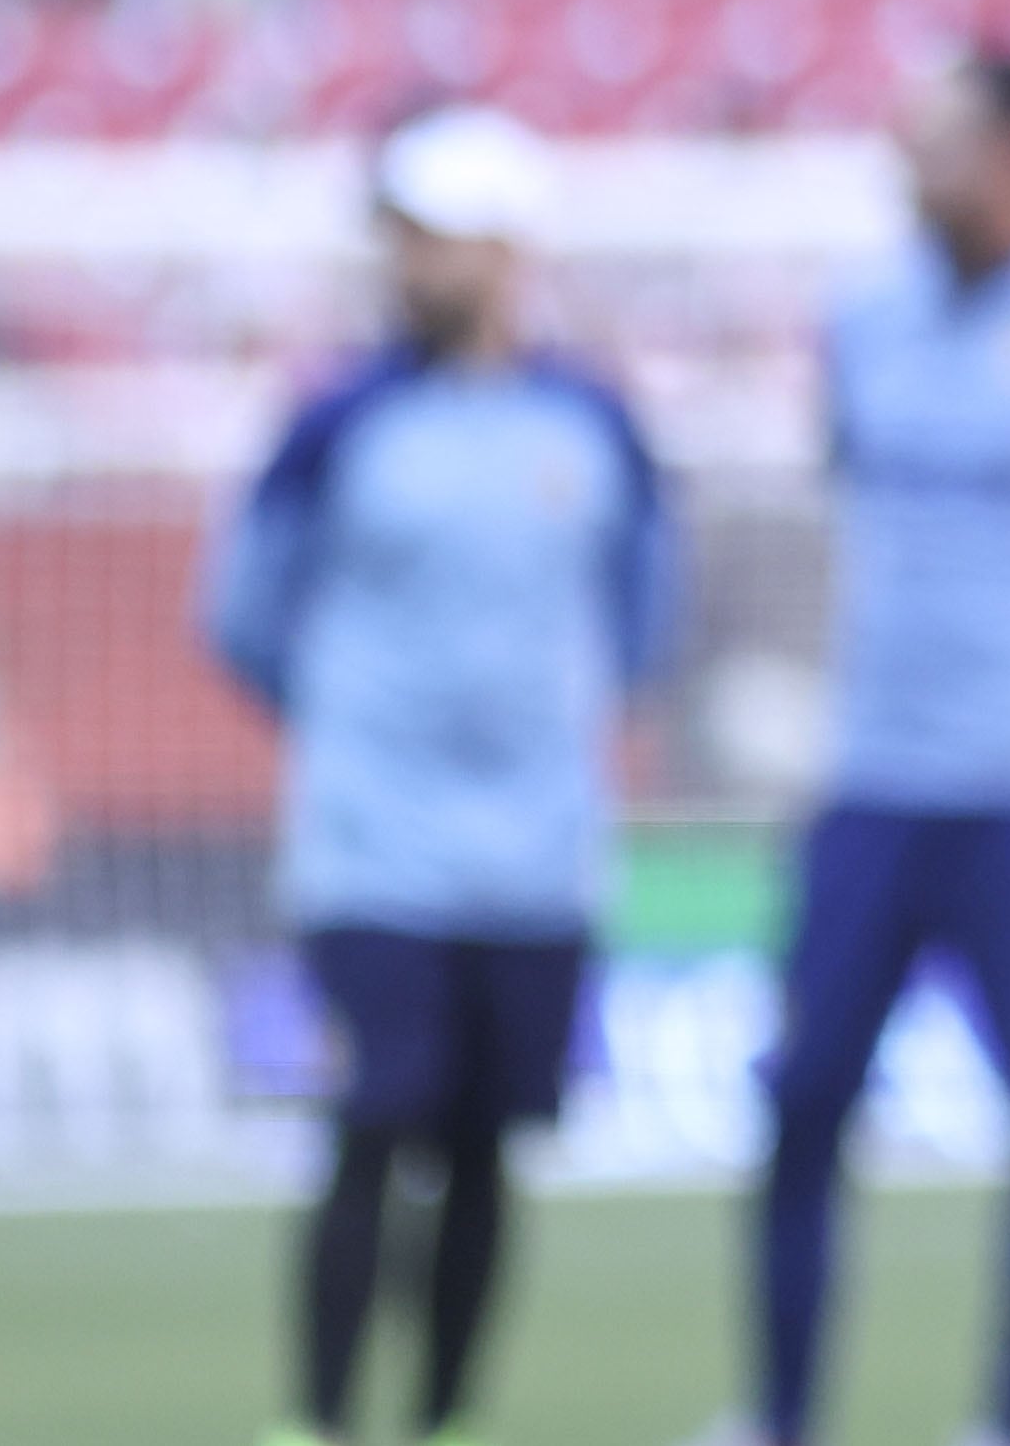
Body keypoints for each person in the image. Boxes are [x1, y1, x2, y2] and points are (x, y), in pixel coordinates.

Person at [726, 53, 1010, 1446]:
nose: (912, 167)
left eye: (940, 143)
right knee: (805, 1096)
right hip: (874, 772)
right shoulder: (862, 317)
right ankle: (779, 1415)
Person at [204, 105, 680, 1446]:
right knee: (375, 1118)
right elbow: (240, 612)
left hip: (537, 857)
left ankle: (442, 1417)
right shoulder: (335, 421)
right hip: (375, 851)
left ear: (498, 250)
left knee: (483, 1144)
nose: (401, 265)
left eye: (425, 239)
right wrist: (356, 726)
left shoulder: (592, 424)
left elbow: (648, 609)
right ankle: (324, 1417)